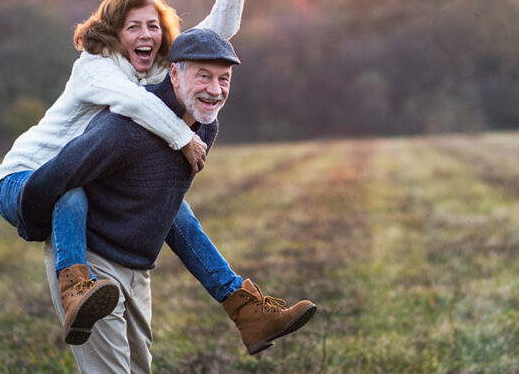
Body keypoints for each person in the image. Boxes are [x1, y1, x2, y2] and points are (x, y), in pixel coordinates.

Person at [0, 0, 311, 354]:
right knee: (74, 192)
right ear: (113, 34)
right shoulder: (97, 70)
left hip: (79, 174)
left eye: (154, 26)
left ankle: (243, 306)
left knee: (174, 208)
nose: (147, 34)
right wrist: (184, 138)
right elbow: (134, 105)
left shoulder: (156, 71)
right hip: (28, 177)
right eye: (133, 27)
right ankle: (76, 287)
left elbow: (211, 42)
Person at [19, 29, 317, 372]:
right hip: (92, 263)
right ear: (174, 74)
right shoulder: (124, 129)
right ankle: (239, 307)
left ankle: (244, 310)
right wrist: (30, 223)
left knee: (139, 368)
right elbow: (56, 176)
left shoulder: (205, 126)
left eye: (224, 79)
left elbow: (168, 205)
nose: (215, 90)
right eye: (203, 76)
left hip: (136, 265)